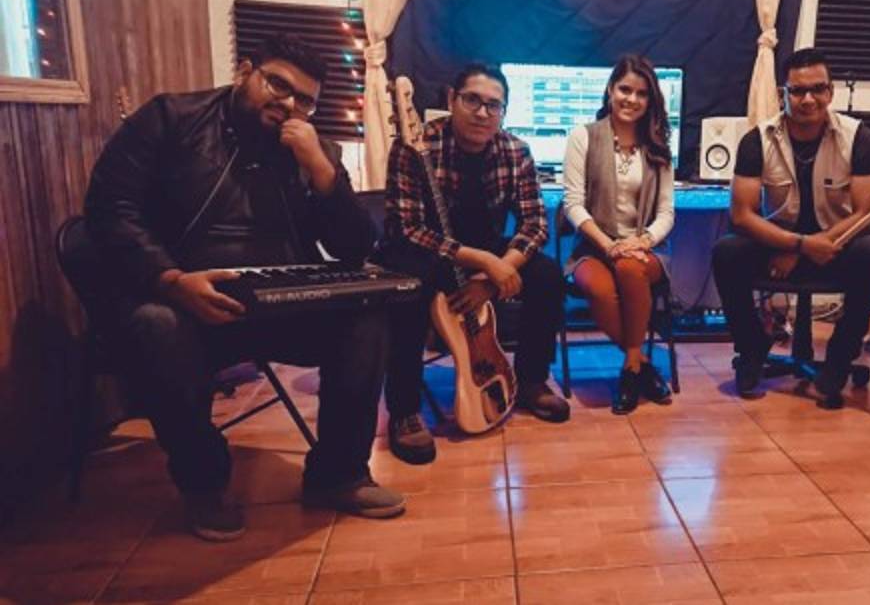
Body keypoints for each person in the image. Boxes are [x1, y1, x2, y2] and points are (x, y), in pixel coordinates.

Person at [83, 33, 405, 542]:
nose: (289, 104)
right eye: (278, 85)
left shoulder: (312, 150)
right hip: (186, 305)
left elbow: (353, 247)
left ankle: (339, 474)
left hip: (280, 308)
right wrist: (170, 280)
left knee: (366, 315)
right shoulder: (170, 119)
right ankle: (204, 485)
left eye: (305, 100)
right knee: (155, 325)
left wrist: (323, 173)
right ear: (245, 71)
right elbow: (110, 210)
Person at [380, 63, 570, 461]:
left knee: (548, 275)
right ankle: (405, 410)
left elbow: (535, 225)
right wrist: (483, 261)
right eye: (472, 101)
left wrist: (494, 275)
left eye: (493, 105)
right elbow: (407, 228)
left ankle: (531, 381)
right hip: (427, 252)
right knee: (407, 288)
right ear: (452, 99)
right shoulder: (415, 146)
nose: (483, 113)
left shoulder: (516, 151)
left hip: (486, 252)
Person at [711, 47, 870, 406]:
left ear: (831, 91)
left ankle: (840, 356)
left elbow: (868, 213)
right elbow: (742, 215)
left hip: (836, 247)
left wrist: (813, 246)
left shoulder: (860, 138)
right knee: (726, 252)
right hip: (779, 248)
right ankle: (751, 347)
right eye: (798, 91)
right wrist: (798, 245)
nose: (808, 99)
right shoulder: (757, 140)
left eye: (817, 89)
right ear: (784, 94)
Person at [560, 55, 676, 414]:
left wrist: (643, 241)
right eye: (625, 89)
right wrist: (609, 245)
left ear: (650, 100)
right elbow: (573, 204)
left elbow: (666, 213)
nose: (632, 99)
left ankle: (629, 369)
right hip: (594, 246)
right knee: (598, 288)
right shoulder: (583, 136)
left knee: (629, 268)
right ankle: (641, 364)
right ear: (611, 89)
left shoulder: (657, 145)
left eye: (642, 93)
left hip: (645, 249)